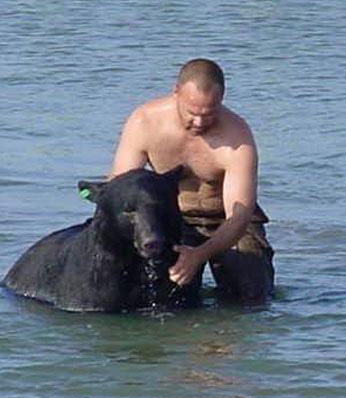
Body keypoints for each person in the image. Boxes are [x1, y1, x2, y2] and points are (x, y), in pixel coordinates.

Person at [108, 58, 274, 305]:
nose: (199, 123)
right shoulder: (145, 122)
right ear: (176, 93)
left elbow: (239, 215)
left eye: (209, 114)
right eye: (192, 113)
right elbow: (121, 190)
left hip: (227, 222)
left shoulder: (238, 137)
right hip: (173, 218)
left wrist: (198, 255)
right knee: (162, 299)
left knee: (251, 296)